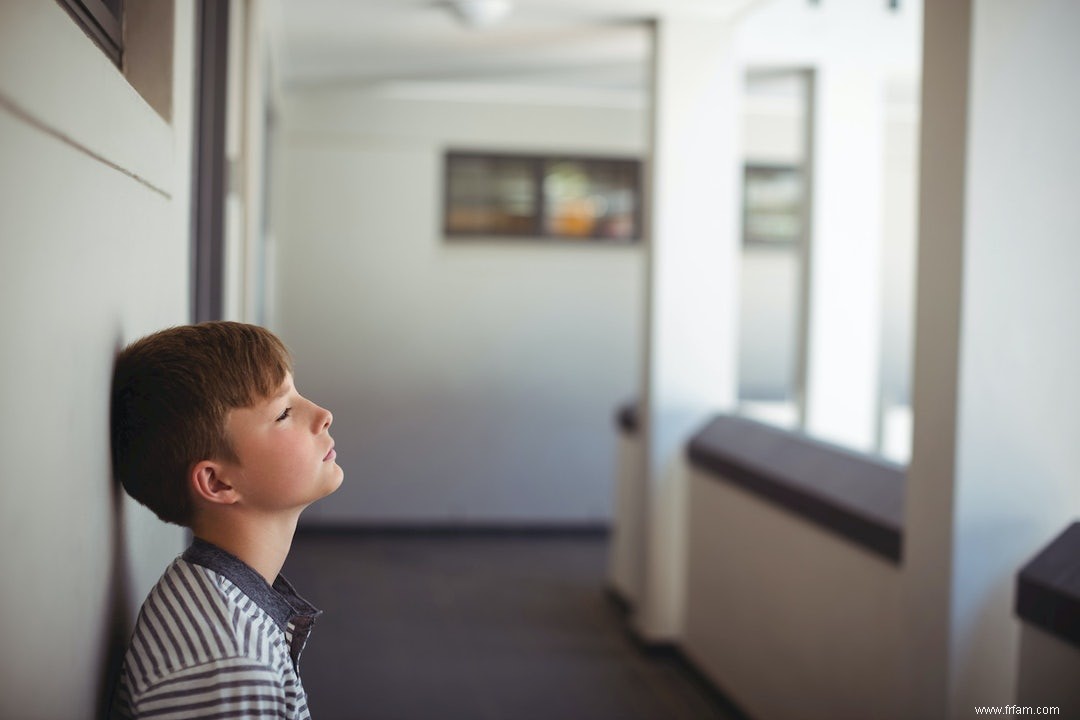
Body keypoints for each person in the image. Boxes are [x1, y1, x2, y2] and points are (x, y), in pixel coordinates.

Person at [108, 321, 343, 719]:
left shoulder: (210, 594)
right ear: (216, 482)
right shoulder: (231, 666)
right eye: (284, 412)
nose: (323, 415)